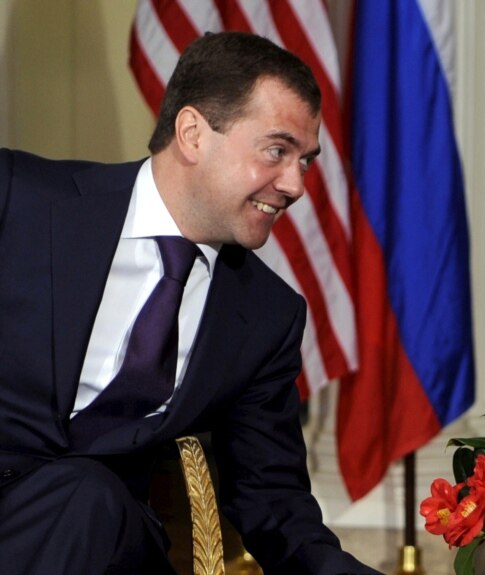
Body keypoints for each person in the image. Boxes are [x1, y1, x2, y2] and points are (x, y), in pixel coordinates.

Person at [0, 32, 379, 574]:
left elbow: (272, 499)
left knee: (85, 496)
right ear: (193, 134)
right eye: (278, 151)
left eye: (306, 162)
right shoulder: (22, 198)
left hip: (104, 537)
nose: (295, 185)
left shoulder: (267, 317)